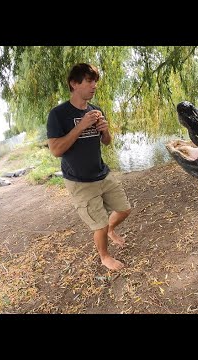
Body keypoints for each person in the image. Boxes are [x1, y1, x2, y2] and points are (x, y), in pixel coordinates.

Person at [47, 63, 131, 271]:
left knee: (124, 210)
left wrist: (105, 131)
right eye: (89, 81)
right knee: (99, 225)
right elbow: (56, 150)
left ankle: (110, 230)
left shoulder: (96, 110)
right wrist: (80, 126)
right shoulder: (58, 114)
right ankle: (105, 257)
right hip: (80, 181)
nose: (94, 86)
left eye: (95, 81)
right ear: (74, 84)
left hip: (102, 173)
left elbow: (107, 142)